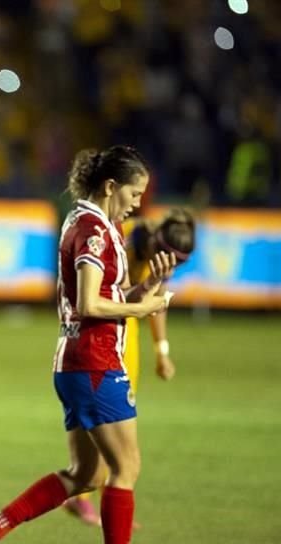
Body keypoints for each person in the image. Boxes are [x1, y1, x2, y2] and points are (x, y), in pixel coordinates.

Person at [0, 145, 177, 544]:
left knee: (86, 474)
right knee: (126, 468)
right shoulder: (94, 231)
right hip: (95, 362)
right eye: (134, 193)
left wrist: (147, 287)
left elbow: (105, 293)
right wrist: (142, 307)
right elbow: (88, 304)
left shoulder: (94, 225)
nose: (139, 202)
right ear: (111, 186)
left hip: (78, 363)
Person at [64, 207, 197, 525]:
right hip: (102, 326)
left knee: (117, 415)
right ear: (157, 243)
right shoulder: (123, 239)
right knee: (105, 415)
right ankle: (84, 495)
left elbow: (157, 303)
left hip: (127, 328)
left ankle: (107, 501)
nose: (168, 268)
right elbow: (102, 294)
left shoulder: (161, 253)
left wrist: (161, 350)